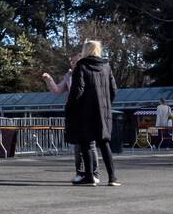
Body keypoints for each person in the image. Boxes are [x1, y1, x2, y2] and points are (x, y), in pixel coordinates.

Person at [69, 40, 120, 186]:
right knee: (104, 144)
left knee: (86, 143)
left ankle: (90, 177)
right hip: (103, 111)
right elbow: (113, 90)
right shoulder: (106, 66)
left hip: (85, 111)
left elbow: (78, 90)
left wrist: (71, 106)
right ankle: (112, 177)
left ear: (86, 50)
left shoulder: (81, 66)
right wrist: (107, 104)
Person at [42, 56, 97, 181]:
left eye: (75, 62)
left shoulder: (89, 73)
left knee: (90, 144)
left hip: (87, 112)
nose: (73, 64)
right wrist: (48, 79)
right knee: (77, 145)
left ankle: (94, 173)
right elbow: (57, 90)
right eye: (72, 62)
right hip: (74, 112)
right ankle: (80, 173)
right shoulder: (69, 76)